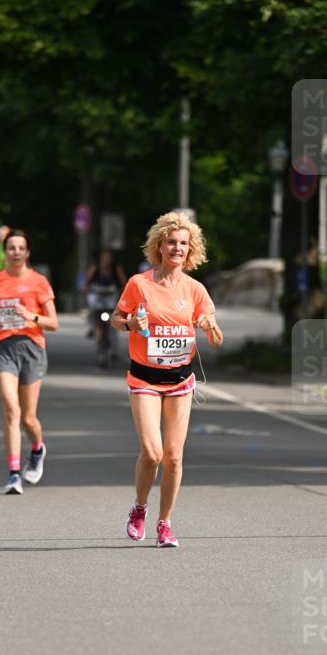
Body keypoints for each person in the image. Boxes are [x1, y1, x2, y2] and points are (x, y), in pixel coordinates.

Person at [111, 211, 224, 548]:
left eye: (183, 244)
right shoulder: (139, 284)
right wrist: (130, 324)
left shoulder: (195, 290)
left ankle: (165, 524)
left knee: (174, 456)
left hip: (179, 381)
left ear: (191, 250)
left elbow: (217, 339)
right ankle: (139, 507)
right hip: (144, 378)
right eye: (171, 242)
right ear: (159, 246)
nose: (177, 248)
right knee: (152, 452)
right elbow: (116, 318)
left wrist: (209, 325)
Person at [0, 229, 58, 494]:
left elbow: (53, 323)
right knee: (12, 410)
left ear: (27, 252)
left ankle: (37, 448)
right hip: (1, 348)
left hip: (31, 348)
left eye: (21, 248)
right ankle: (13, 474)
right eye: (11, 248)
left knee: (28, 418)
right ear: (5, 251)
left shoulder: (38, 281)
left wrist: (30, 316)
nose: (16, 252)